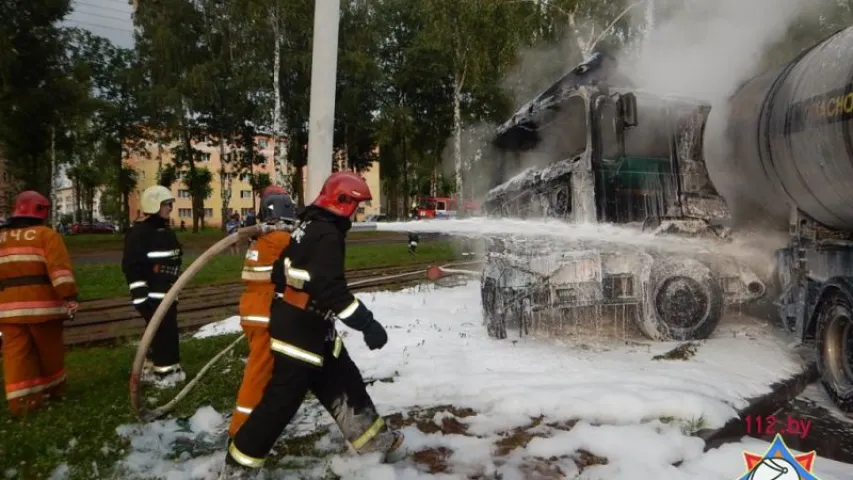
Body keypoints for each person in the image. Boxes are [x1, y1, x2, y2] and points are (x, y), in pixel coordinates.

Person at [220, 172, 402, 479]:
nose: (357, 214)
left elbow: (279, 271)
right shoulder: (328, 235)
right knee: (282, 401)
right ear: (342, 203)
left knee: (344, 379)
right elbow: (331, 289)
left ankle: (374, 442)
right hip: (300, 331)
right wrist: (368, 324)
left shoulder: (308, 225)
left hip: (310, 324)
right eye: (356, 206)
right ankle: (238, 466)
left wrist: (300, 287)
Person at [0, 191, 79, 416]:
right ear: (43, 211)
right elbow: (60, 272)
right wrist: (70, 296)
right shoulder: (46, 235)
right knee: (49, 352)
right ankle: (54, 391)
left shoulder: (2, 237)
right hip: (43, 308)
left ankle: (22, 403)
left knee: (15, 355)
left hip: (7, 312)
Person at [228, 185, 295, 438]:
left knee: (268, 371)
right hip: (266, 314)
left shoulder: (261, 240)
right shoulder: (281, 240)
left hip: (254, 310)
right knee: (258, 374)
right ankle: (242, 431)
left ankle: (264, 419)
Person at [121, 185, 185, 386]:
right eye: (167, 205)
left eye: (170, 205)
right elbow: (132, 267)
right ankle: (163, 375)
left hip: (168, 292)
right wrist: (141, 296)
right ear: (154, 204)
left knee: (167, 332)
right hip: (153, 296)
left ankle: (161, 368)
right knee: (162, 333)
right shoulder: (140, 233)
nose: (170, 209)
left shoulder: (164, 230)